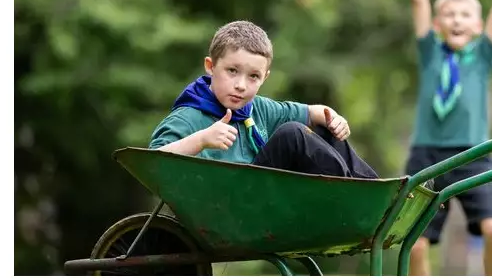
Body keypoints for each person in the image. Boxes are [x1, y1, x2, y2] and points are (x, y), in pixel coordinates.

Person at [402, 0, 492, 276]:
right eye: (448, 14)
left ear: (478, 26)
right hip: (427, 155)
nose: (456, 19)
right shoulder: (430, 52)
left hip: (473, 154)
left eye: (465, 14)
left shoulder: (482, 56)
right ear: (437, 24)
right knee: (415, 244)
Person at [148, 20, 379, 180]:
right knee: (293, 135)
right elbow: (150, 164)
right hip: (226, 207)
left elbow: (315, 112)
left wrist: (335, 119)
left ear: (264, 78)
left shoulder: (257, 109)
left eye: (253, 77)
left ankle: (377, 194)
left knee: (324, 126)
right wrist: (201, 139)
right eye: (232, 71)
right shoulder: (190, 116)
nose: (241, 85)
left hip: (262, 199)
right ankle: (355, 199)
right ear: (210, 66)